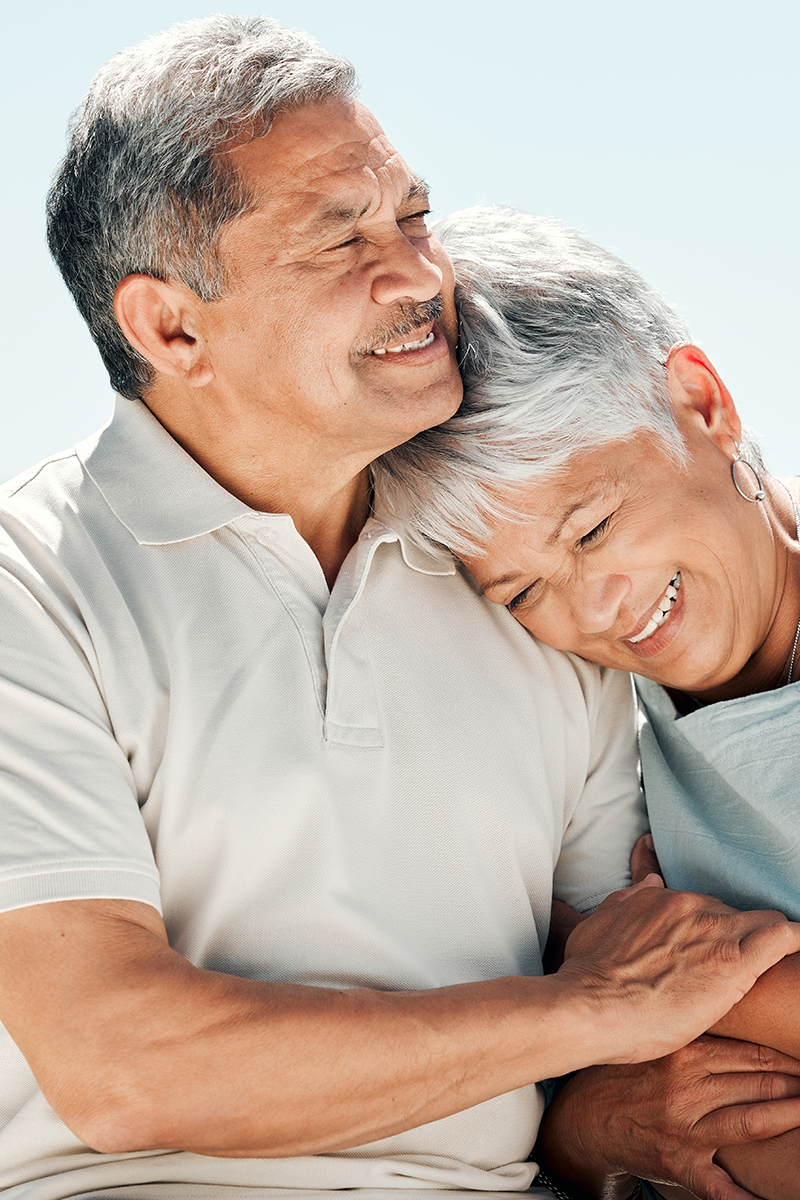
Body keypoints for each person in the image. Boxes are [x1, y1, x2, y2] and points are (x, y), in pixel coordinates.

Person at [1, 20, 799, 1200]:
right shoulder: (33, 584)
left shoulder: (497, 582)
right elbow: (124, 1065)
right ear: (172, 328)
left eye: (411, 219)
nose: (420, 276)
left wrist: (586, 1104)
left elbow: (657, 974)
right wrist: (579, 1023)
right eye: (341, 240)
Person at [375, 204, 800, 1199]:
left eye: (594, 526)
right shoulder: (583, 724)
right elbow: (599, 1099)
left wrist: (667, 986)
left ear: (700, 403)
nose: (592, 609)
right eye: (519, 592)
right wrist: (588, 1124)